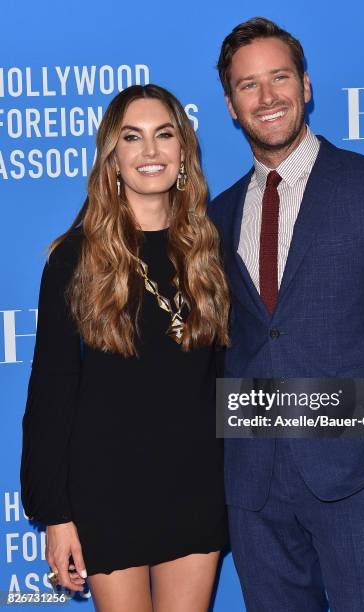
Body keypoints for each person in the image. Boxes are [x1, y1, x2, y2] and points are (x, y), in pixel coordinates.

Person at [209, 17, 364, 611]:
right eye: (249, 85)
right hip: (253, 487)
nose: (267, 96)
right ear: (230, 104)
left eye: (279, 77)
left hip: (359, 473)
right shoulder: (215, 217)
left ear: (306, 85)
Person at [20, 84, 230, 612]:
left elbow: (230, 375)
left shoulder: (210, 251)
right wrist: (57, 515)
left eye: (164, 135)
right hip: (107, 490)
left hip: (195, 483)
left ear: (184, 151)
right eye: (132, 138)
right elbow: (51, 391)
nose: (150, 151)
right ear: (112, 157)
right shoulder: (75, 258)